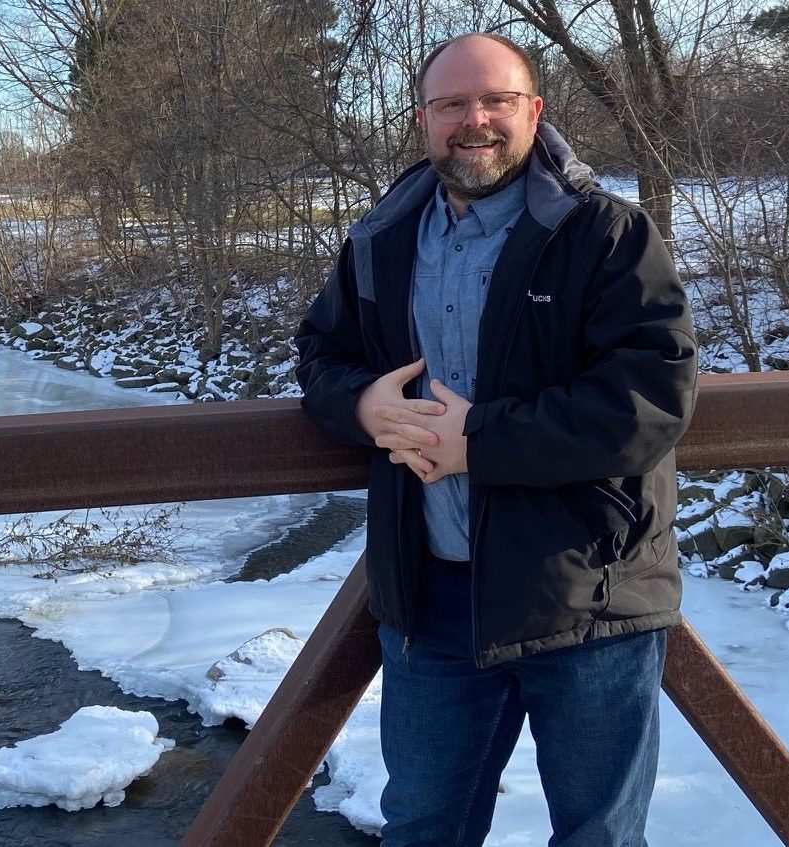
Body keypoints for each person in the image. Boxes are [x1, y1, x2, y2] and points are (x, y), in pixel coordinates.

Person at [293, 32, 698, 847]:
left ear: (534, 111)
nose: (473, 120)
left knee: (600, 840)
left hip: (585, 595)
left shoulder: (605, 235)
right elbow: (320, 356)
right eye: (451, 104)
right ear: (423, 120)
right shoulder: (384, 237)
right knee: (422, 833)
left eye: (495, 101)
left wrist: (478, 440)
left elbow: (650, 398)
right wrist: (364, 406)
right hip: (432, 604)